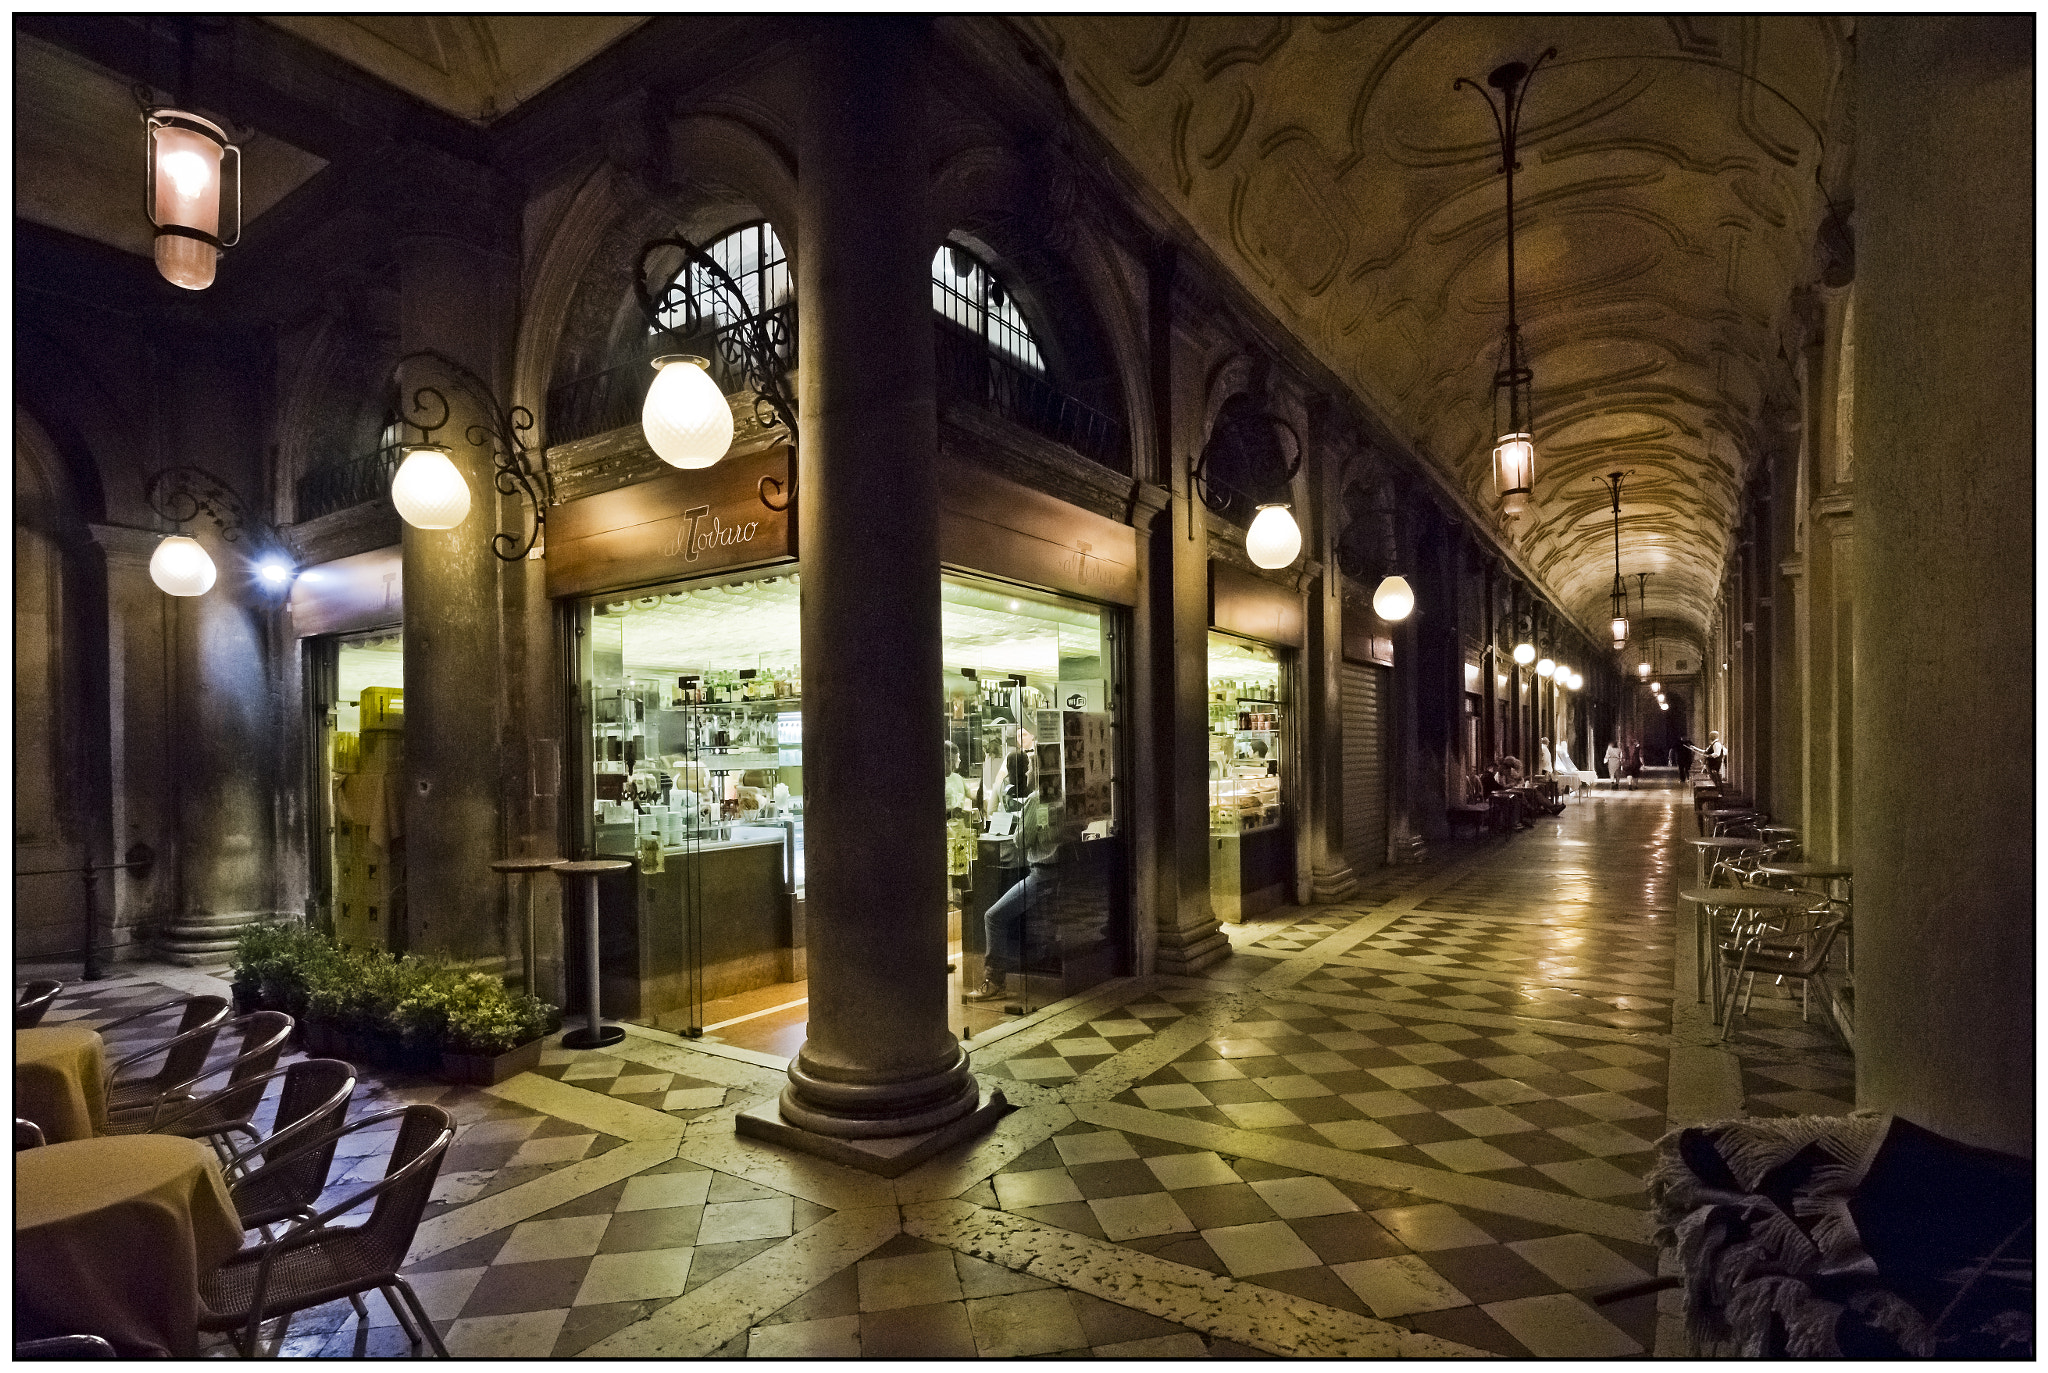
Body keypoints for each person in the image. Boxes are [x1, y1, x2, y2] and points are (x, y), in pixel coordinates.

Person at [964, 752, 1071, 1003]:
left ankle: (995, 980)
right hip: (1062, 873)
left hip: (1042, 875)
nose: (1028, 771)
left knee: (993, 917)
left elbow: (1021, 840)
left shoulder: (1036, 799)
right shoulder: (1067, 797)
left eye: (1032, 765)